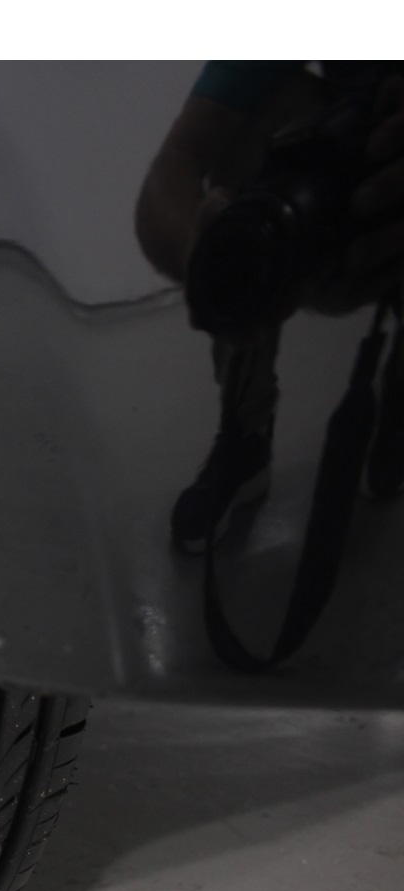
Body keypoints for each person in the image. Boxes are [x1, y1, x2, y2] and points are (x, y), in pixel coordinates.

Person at [135, 62, 404, 553]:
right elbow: (176, 163)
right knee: (251, 119)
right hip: (347, 231)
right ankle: (245, 429)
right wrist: (208, 255)